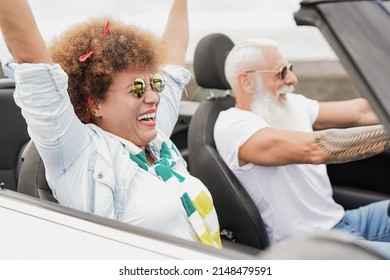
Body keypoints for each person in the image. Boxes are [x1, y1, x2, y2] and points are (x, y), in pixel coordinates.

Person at [0, 0, 222, 248]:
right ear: (95, 104)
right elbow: (32, 61)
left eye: (154, 84)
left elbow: (174, 56)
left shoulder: (156, 138)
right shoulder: (79, 156)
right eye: (136, 88)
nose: (154, 97)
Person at [214, 38, 390, 256]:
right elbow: (315, 149)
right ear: (247, 81)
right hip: (309, 248)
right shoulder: (234, 125)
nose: (293, 78)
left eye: (291, 69)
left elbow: (362, 112)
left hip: (342, 222)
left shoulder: (289, 104)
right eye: (281, 72)